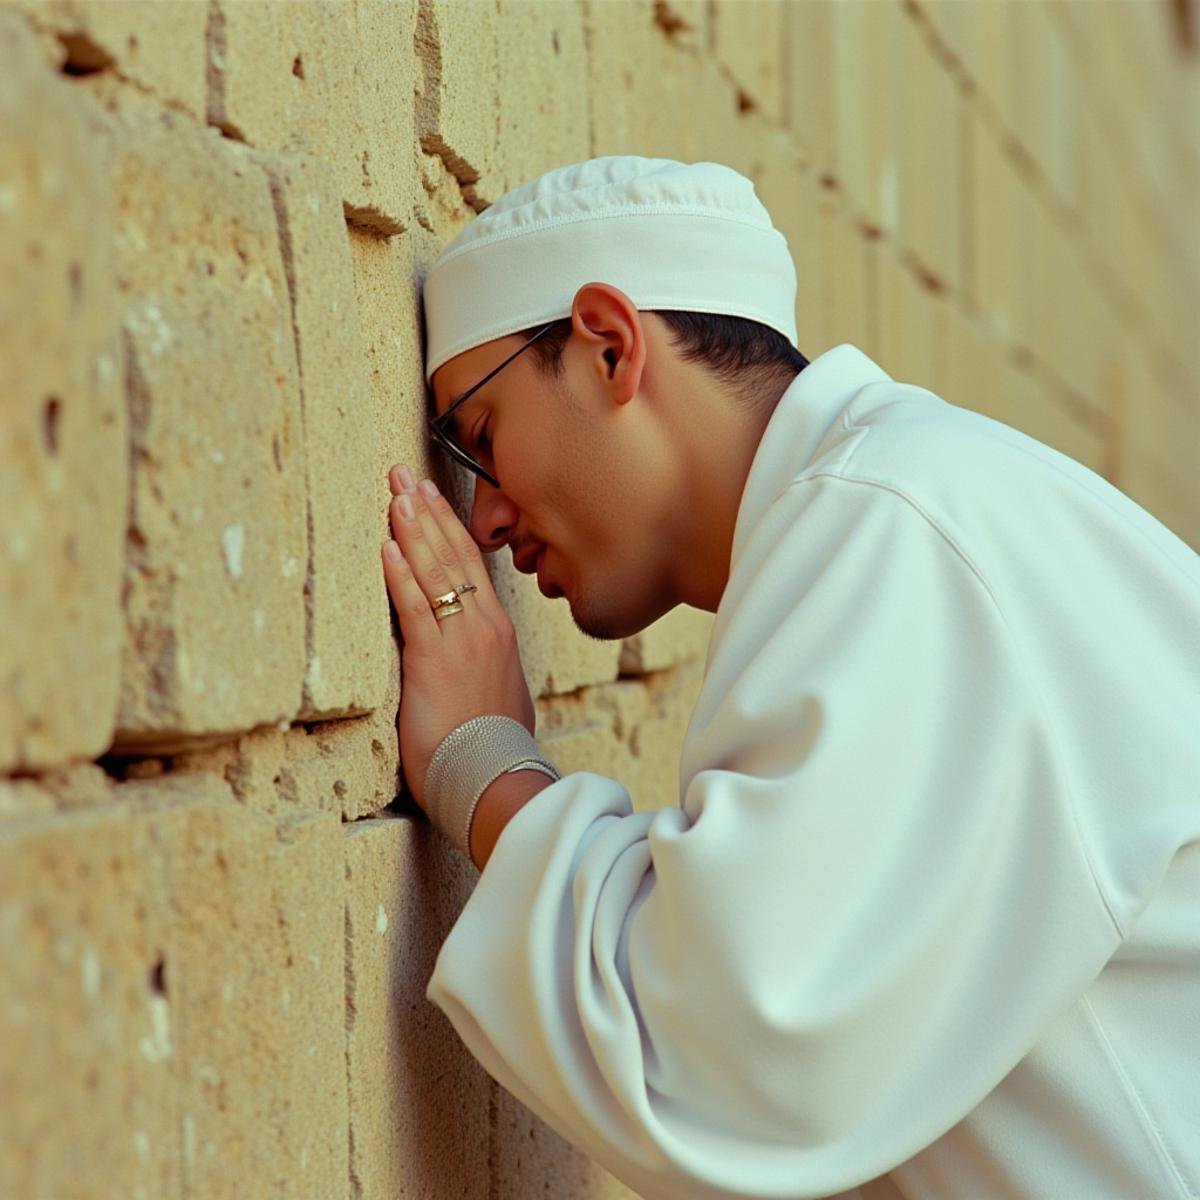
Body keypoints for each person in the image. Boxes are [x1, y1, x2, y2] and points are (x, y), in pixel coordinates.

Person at [378, 157, 1200, 1200]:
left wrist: (485, 768)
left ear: (609, 346)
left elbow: (726, 1060)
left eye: (482, 440)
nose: (483, 518)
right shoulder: (887, 507)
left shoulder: (896, 531)